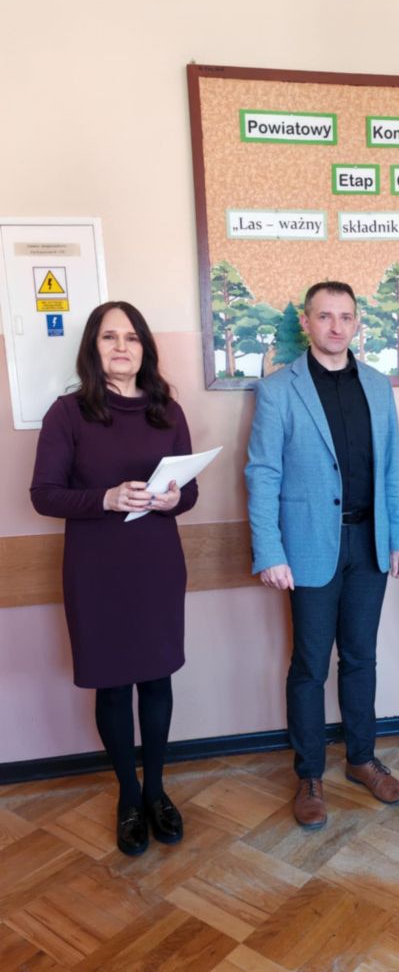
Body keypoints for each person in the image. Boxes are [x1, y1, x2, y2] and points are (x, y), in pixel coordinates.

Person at [30, 301, 198, 856]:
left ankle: (156, 791)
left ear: (144, 348)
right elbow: (43, 495)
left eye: (131, 337)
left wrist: (174, 499)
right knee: (113, 684)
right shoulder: (68, 413)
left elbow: (190, 491)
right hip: (97, 569)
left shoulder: (167, 411)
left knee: (157, 679)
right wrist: (104, 498)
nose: (121, 347)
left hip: (157, 565)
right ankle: (128, 795)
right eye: (109, 337)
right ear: (93, 348)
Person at [246, 280, 399, 830]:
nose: (336, 326)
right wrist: (269, 550)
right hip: (308, 547)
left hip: (369, 545)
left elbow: (391, 469)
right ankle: (310, 775)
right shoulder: (279, 390)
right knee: (310, 666)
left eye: (345, 316)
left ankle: (362, 759)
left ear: (357, 323)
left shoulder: (378, 386)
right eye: (325, 316)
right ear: (306, 322)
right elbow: (262, 474)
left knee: (361, 658)